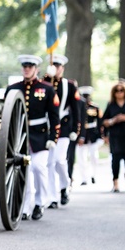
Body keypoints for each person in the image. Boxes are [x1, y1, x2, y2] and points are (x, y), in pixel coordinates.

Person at [6, 55, 59, 221]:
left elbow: (54, 116)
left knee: (38, 167)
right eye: (24, 66)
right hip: (19, 135)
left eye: (30, 66)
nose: (27, 69)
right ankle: (26, 206)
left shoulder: (47, 89)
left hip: (40, 135)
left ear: (36, 69)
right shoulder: (13, 88)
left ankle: (39, 202)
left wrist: (53, 137)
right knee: (24, 171)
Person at [43, 54, 79, 207]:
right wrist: (47, 78)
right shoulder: (44, 83)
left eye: (58, 66)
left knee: (59, 160)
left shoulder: (69, 85)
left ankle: (64, 185)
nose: (56, 69)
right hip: (47, 126)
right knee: (49, 163)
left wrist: (75, 129)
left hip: (63, 127)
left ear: (62, 68)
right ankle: (52, 197)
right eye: (54, 66)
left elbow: (76, 109)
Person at [101, 79, 125, 192]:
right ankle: (115, 181)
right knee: (115, 159)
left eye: (121, 90)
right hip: (115, 135)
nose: (119, 93)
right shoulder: (111, 105)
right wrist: (113, 121)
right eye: (117, 91)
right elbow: (104, 121)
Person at [74, 86, 101, 186]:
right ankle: (84, 178)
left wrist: (99, 135)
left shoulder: (94, 108)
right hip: (81, 134)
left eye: (87, 96)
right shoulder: (78, 106)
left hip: (92, 134)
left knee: (94, 156)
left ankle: (93, 174)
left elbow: (99, 122)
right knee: (81, 158)